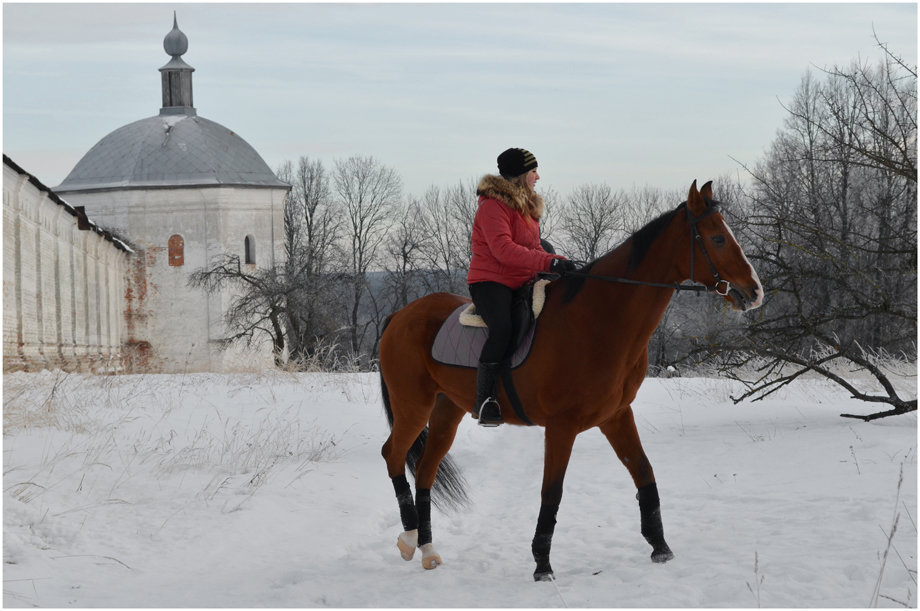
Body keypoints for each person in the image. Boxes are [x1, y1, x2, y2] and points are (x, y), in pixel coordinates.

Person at [467, 148, 577, 426]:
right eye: (533, 172)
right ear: (520, 175)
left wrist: (561, 262)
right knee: (503, 328)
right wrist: (548, 262)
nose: (538, 177)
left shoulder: (526, 208)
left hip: (521, 280)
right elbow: (504, 250)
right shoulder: (492, 206)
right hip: (490, 282)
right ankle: (486, 400)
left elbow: (536, 248)